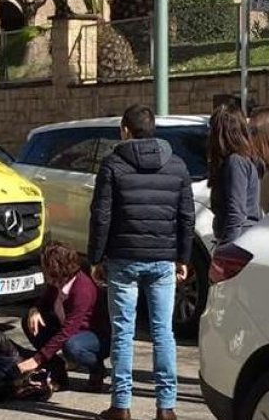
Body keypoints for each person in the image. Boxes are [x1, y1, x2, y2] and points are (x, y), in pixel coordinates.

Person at [88, 104, 194, 420]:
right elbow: (186, 216)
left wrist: (95, 257)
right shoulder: (177, 166)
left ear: (125, 130)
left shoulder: (112, 165)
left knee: (123, 332)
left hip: (123, 258)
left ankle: (121, 406)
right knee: (163, 332)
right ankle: (166, 407)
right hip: (163, 259)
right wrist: (183, 257)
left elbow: (101, 215)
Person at [17, 241, 111, 393]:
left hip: (95, 336)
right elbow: (44, 301)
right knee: (30, 322)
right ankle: (57, 369)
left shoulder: (82, 290)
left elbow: (68, 330)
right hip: (69, 329)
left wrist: (36, 359)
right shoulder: (57, 283)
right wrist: (35, 310)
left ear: (56, 268)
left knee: (72, 346)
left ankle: (97, 369)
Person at [208, 105, 262, 246]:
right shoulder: (240, 160)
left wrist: (225, 249)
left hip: (239, 241)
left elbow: (236, 214)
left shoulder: (235, 162)